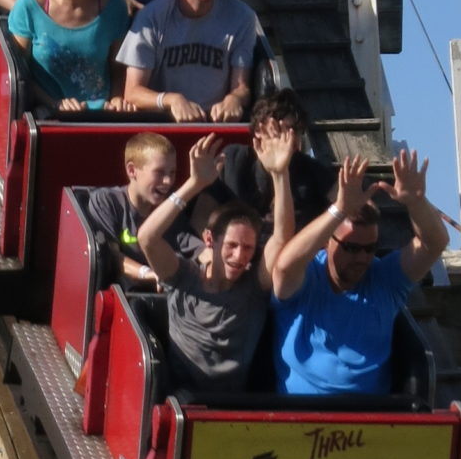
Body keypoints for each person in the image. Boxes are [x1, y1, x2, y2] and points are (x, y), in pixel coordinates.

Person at [270, 148, 451, 397]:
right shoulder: (307, 277)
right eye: (351, 248)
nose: (362, 258)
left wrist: (416, 202)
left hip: (368, 419)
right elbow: (283, 267)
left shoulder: (384, 279)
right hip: (301, 415)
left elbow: (434, 244)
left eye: (370, 249)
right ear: (327, 241)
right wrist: (339, 210)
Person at [136, 130, 299, 398]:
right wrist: (194, 184)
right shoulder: (182, 276)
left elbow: (283, 236)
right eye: (232, 246)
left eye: (247, 248)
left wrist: (280, 175)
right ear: (210, 240)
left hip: (231, 401)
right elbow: (148, 237)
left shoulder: (254, 287)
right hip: (180, 399)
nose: (239, 256)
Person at [118, 0, 259, 124]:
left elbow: (241, 87)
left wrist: (234, 100)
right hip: (162, 126)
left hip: (214, 124)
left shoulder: (242, 17)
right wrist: (171, 100)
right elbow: (133, 92)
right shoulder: (151, 18)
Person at [213, 90, 338, 231]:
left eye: (296, 131)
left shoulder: (311, 170)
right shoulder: (233, 160)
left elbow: (346, 201)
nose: (290, 138)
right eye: (281, 129)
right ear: (258, 131)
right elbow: (203, 216)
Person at [85, 131, 179, 285]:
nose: (168, 181)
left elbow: (195, 250)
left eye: (172, 173)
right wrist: (150, 274)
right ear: (132, 170)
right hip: (125, 295)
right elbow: (112, 256)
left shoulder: (171, 207)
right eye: (159, 173)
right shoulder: (107, 201)